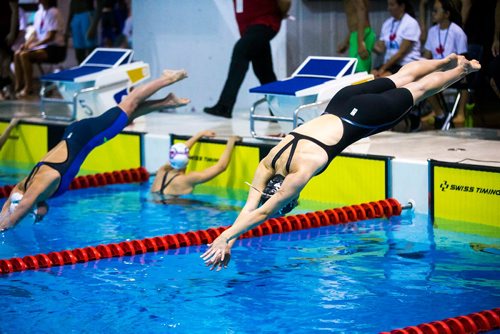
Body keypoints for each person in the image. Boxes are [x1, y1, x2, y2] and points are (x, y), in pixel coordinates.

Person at [201, 54, 481, 270]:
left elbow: (261, 213)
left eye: (289, 204)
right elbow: (251, 208)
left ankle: (462, 70)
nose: (294, 202)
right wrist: (229, 238)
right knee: (401, 75)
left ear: (286, 195)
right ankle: (446, 61)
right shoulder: (267, 164)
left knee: (419, 90)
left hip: (363, 117)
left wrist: (225, 237)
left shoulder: (300, 173)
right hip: (341, 102)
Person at [0, 69, 189, 231]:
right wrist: (4, 214)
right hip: (76, 133)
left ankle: (167, 78)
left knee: (128, 104)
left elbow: (23, 205)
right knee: (123, 118)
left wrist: (6, 225)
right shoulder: (26, 185)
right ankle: (167, 102)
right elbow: (16, 196)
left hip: (86, 134)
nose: (37, 215)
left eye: (33, 213)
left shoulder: (44, 182)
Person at [203, 0, 291, 119]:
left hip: (264, 23)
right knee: (264, 71)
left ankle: (224, 106)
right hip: (253, 27)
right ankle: (277, 112)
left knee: (240, 52)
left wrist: (280, 13)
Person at [421, 0, 468, 127]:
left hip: (454, 70)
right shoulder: (432, 31)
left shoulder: (457, 32)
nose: (433, 13)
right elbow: (427, 55)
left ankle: (460, 112)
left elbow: (464, 57)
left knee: (465, 79)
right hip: (438, 70)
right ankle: (439, 113)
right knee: (422, 79)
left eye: (436, 11)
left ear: (447, 14)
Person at [151, 131, 241, 197]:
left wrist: (200, 134)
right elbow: (221, 167)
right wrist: (231, 142)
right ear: (187, 161)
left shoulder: (162, 171)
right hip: (178, 208)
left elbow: (181, 150)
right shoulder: (188, 179)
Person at [13, 0, 65, 98]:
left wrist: (34, 45)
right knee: (17, 53)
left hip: (54, 48)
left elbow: (51, 36)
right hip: (41, 47)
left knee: (24, 55)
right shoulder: (38, 13)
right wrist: (26, 44)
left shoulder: (53, 12)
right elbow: (35, 32)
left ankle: (29, 87)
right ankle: (18, 85)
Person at [372, 0, 421, 78]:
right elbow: (380, 49)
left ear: (402, 7)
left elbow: (401, 53)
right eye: (388, 5)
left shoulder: (411, 23)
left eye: (392, 5)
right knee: (371, 75)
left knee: (381, 79)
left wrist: (382, 69)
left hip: (406, 64)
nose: (388, 8)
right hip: (390, 64)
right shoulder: (387, 23)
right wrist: (367, 43)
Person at [337, 0, 376, 73]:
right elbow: (354, 25)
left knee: (361, 73)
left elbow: (362, 10)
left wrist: (360, 42)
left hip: (362, 35)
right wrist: (346, 42)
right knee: (355, 71)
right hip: (356, 35)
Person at [67, 0, 99, 64]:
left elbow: (100, 5)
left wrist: (94, 26)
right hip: (75, 16)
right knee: (79, 51)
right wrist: (68, 25)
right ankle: (81, 69)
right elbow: (72, 3)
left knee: (91, 48)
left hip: (87, 14)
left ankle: (94, 71)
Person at [0, 0, 19, 98]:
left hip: (7, 29)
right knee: (3, 64)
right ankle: (7, 89)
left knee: (5, 64)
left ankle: (12, 90)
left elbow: (15, 11)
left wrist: (12, 32)